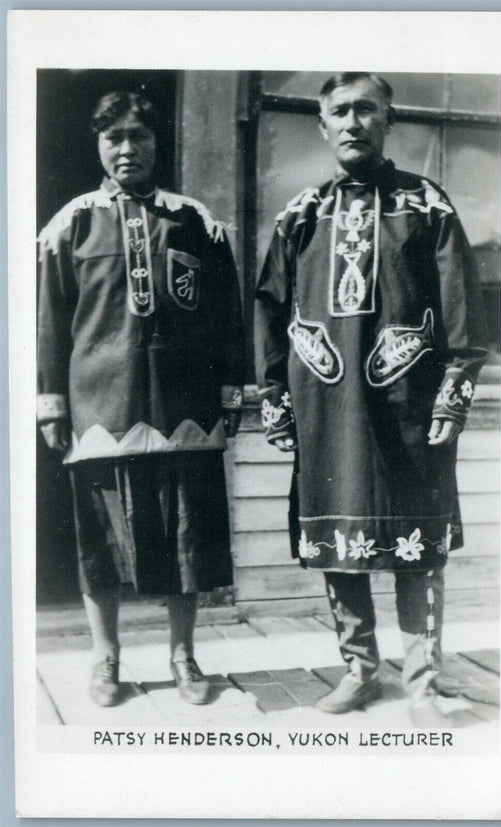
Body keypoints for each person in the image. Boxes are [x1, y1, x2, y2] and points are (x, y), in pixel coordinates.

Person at [255, 73, 488, 715]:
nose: (353, 122)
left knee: (416, 542)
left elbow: (463, 308)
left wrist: (454, 393)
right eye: (339, 112)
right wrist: (275, 397)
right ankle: (359, 670)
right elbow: (271, 311)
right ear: (322, 126)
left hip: (408, 402)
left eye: (366, 110)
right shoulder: (300, 214)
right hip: (325, 406)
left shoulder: (426, 205)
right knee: (340, 538)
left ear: (388, 122)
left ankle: (423, 679)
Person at [37, 91, 244, 707]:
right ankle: (107, 660)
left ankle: (183, 656)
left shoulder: (196, 221)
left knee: (188, 539)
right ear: (99, 145)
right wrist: (50, 400)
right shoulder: (70, 223)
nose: (127, 149)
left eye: (140, 137)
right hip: (99, 410)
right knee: (100, 543)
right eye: (114, 138)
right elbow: (49, 319)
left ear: (158, 144)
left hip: (184, 411)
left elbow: (226, 317)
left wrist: (231, 387)